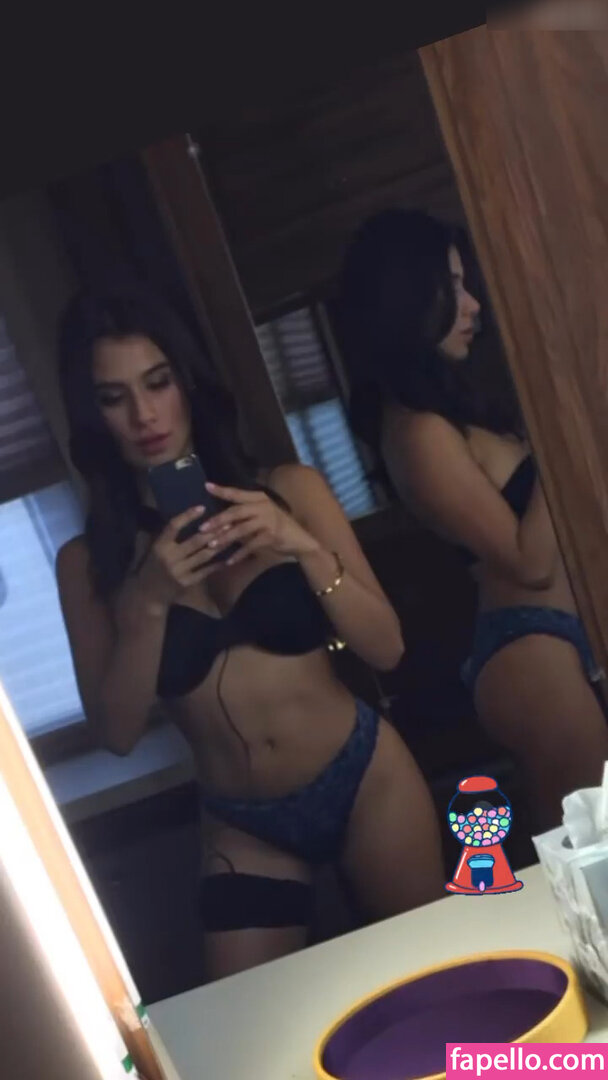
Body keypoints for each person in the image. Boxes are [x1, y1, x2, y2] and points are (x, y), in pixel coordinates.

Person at [54, 285, 445, 980]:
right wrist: (149, 601)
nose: (144, 415)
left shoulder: (292, 490)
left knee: (440, 977)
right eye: (115, 397)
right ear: (93, 415)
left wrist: (301, 546)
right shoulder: (90, 563)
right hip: (243, 823)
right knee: (252, 1025)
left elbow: (388, 647)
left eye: (158, 382)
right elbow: (116, 733)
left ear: (187, 381)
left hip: (365, 776)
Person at [338, 208, 608, 832]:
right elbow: (529, 562)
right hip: (530, 648)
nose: (474, 305)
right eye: (453, 287)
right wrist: (558, 440)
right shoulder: (417, 432)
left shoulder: (449, 413)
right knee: (596, 856)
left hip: (558, 640)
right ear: (410, 300)